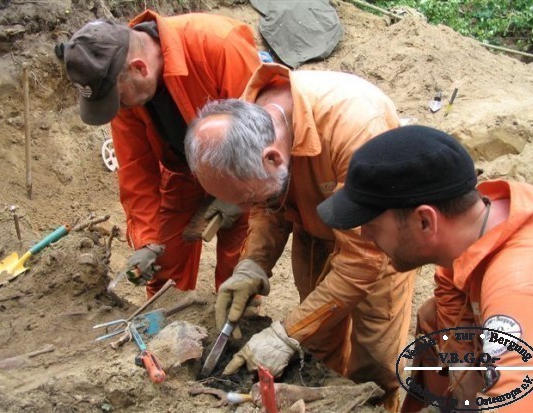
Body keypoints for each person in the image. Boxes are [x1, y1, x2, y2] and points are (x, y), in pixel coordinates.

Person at [184, 63, 417, 411]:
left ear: (274, 157)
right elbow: (267, 205)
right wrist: (251, 266)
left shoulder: (355, 127)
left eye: (246, 198)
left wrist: (286, 333)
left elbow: (363, 260)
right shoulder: (246, 123)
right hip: (312, 229)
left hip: (379, 241)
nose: (248, 206)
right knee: (317, 344)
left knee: (375, 364)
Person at [317, 125, 533, 412]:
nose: (364, 236)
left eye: (372, 225)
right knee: (433, 318)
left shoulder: (516, 285)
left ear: (425, 221)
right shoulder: (470, 241)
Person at [60, 11, 264, 296]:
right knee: (162, 266)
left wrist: (243, 192)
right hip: (183, 170)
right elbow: (135, 169)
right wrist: (146, 241)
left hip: (241, 168)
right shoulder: (121, 90)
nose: (117, 110)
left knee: (237, 267)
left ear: (140, 68)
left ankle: (234, 325)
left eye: (118, 100)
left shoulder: (218, 46)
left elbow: (266, 131)